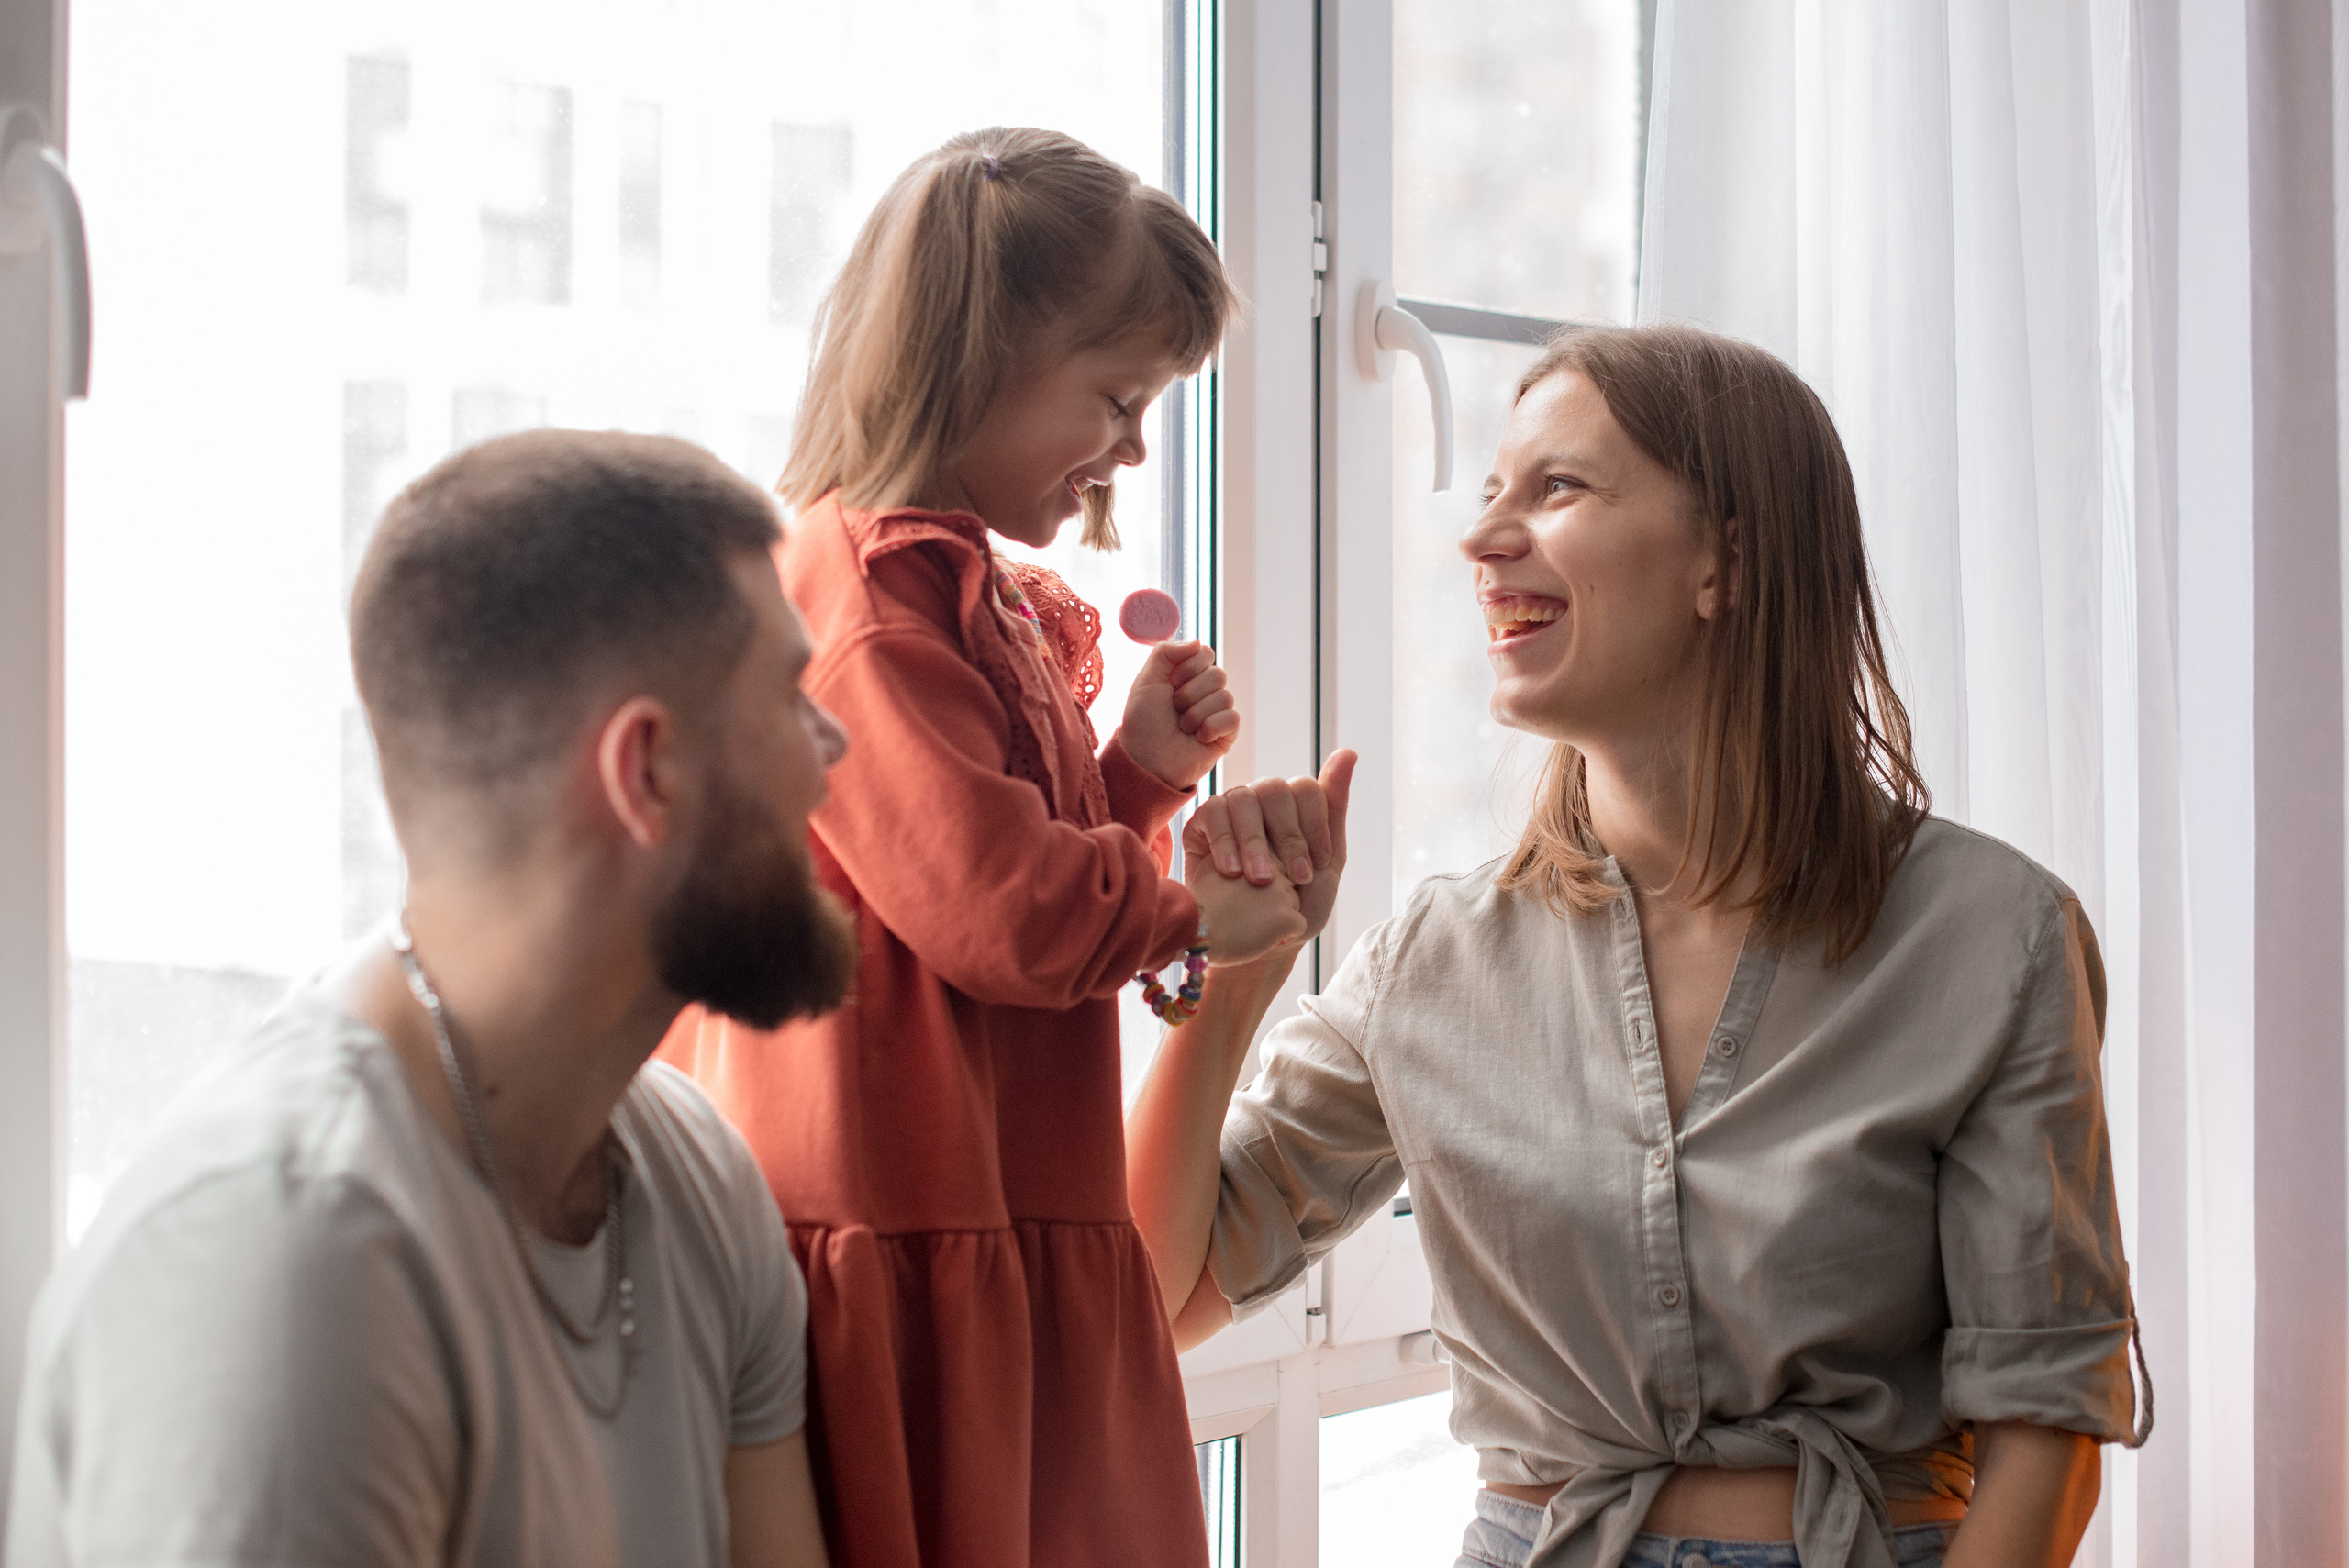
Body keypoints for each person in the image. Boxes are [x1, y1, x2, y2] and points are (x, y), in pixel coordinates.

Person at [1128, 324, 2154, 1568]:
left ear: (1727, 557)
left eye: (1556, 487)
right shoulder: (1435, 957)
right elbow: (1155, 1301)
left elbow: (2045, 1421)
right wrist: (1230, 981)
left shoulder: (1995, 939)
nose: (1482, 536)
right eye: (1492, 489)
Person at [7, 430, 853, 1567]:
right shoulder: (287, 1261)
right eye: (792, 693)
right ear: (644, 769)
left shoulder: (699, 1176)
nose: (833, 746)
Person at [655, 127, 1306, 1568]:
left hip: (984, 1197)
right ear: (981, 356)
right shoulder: (870, 613)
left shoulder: (955, 599)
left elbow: (994, 870)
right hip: (907, 1213)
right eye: (1119, 399)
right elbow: (1006, 918)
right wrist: (1197, 911)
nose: (1136, 447)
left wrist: (1131, 773)